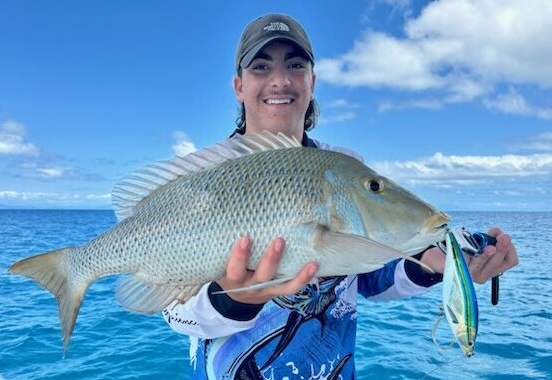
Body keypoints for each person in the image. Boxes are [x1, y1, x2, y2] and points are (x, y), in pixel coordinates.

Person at [162, 13, 519, 379]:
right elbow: (176, 312)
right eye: (261, 66)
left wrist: (439, 264)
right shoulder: (201, 179)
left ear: (311, 81)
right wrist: (233, 299)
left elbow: (372, 278)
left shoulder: (346, 167)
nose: (281, 80)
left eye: (295, 65)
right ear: (239, 85)